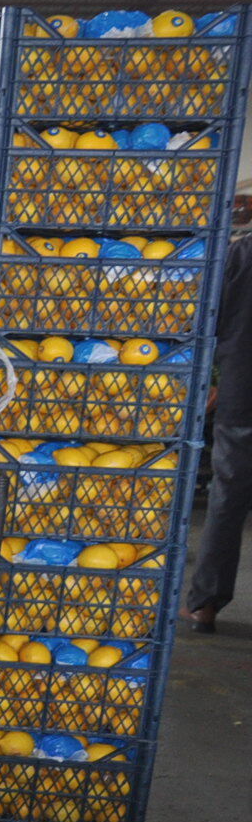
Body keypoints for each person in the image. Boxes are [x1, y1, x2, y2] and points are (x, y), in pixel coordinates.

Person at [184, 226, 252, 631]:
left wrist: (210, 379)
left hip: (241, 396)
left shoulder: (240, 256)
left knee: (226, 502)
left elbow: (209, 322)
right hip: (239, 396)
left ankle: (204, 606)